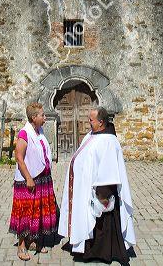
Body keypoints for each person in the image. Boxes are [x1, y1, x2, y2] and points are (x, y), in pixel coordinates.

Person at [58, 106, 136, 265]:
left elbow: (109, 170)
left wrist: (103, 196)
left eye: (91, 120)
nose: (88, 122)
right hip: (86, 189)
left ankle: (101, 252)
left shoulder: (108, 141)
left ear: (101, 122)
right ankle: (87, 248)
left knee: (101, 223)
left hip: (100, 193)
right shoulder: (92, 135)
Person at [9, 102, 58, 261]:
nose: (45, 118)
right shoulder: (24, 134)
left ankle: (32, 240)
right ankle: (21, 245)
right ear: (33, 117)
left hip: (42, 179)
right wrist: (29, 178)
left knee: (38, 211)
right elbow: (19, 158)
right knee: (26, 212)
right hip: (28, 180)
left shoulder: (39, 131)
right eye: (42, 115)